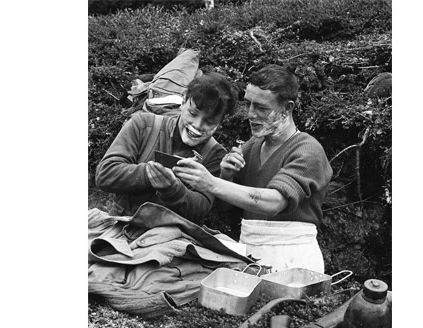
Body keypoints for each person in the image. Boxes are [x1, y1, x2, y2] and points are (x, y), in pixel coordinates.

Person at [174, 65, 333, 272]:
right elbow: (226, 207)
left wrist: (212, 182)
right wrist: (227, 175)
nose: (250, 114)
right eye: (248, 104)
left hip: (294, 260)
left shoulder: (307, 150)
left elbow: (275, 202)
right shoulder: (251, 146)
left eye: (261, 108)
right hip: (249, 255)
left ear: (287, 108)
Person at [95, 72, 238, 225]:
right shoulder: (143, 124)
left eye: (209, 121)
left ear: (220, 122)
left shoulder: (215, 155)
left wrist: (173, 189)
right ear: (183, 100)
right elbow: (105, 174)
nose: (197, 125)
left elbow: (201, 209)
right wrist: (149, 174)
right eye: (193, 113)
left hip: (172, 237)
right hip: (122, 225)